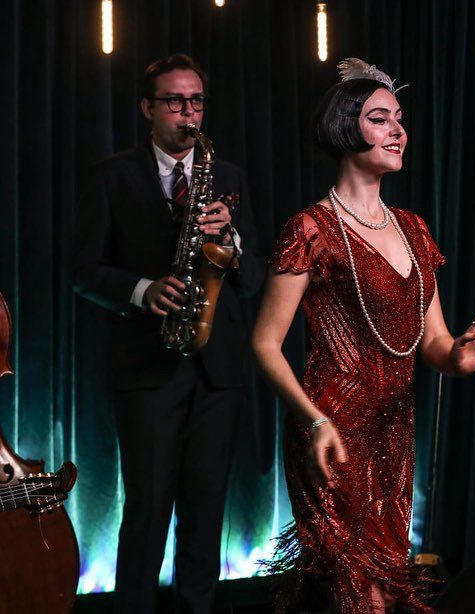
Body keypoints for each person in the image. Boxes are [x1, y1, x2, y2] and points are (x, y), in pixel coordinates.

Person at [252, 58, 475, 613]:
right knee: (360, 587)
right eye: (379, 119)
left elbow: (435, 345)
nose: (398, 131)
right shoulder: (311, 228)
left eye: (399, 118)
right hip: (330, 422)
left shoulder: (414, 229)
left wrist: (461, 357)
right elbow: (264, 344)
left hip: (394, 427)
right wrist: (315, 421)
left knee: (386, 577)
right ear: (345, 129)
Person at [74, 54, 263, 613]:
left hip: (216, 370)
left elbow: (252, 280)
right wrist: (141, 290)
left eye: (197, 101)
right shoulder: (112, 175)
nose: (188, 112)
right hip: (147, 367)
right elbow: (83, 270)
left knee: (205, 516)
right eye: (176, 101)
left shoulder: (227, 177)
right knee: (148, 513)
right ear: (147, 108)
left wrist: (230, 243)